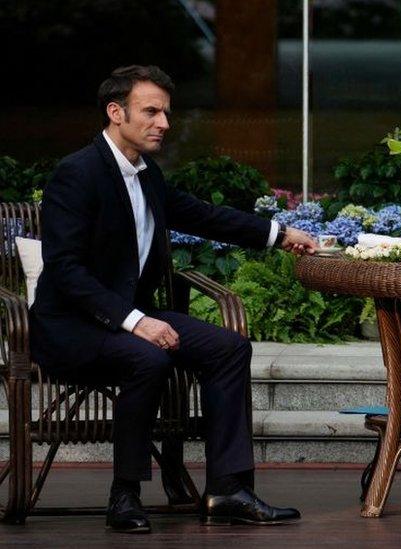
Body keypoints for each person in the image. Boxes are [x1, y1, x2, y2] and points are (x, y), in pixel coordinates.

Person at [29, 65, 317, 534]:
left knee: (229, 348)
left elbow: (200, 215)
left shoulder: (146, 174)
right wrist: (135, 321)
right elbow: (65, 271)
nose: (164, 122)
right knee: (148, 359)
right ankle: (124, 494)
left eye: (166, 112)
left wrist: (278, 233)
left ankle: (228, 489)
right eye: (151, 111)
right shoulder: (76, 174)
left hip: (126, 316)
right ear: (115, 112)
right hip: (70, 327)